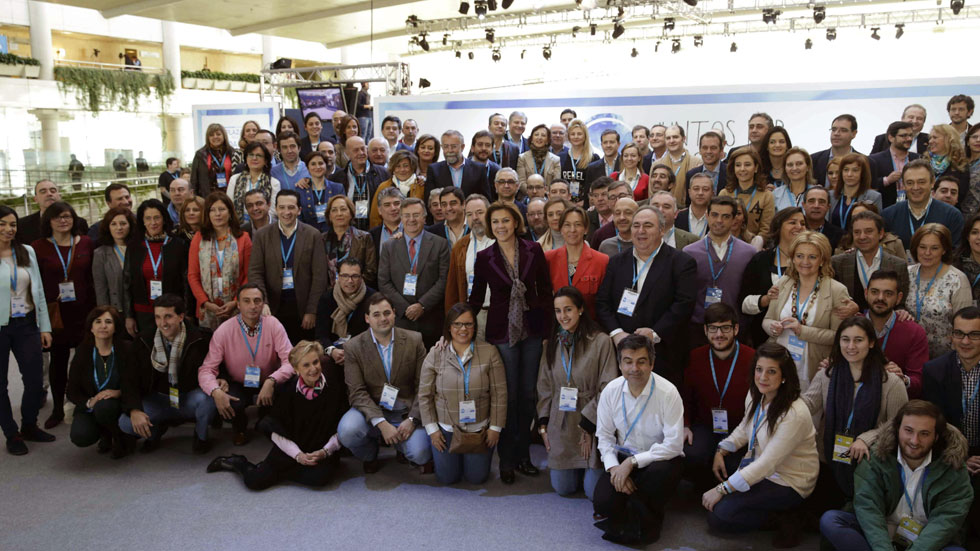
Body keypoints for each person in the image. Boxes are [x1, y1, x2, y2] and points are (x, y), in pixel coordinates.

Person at [468, 200, 552, 483]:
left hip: (532, 330)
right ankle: (506, 458)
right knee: (508, 396)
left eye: (505, 220)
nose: (501, 226)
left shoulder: (533, 249)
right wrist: (454, 327)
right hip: (502, 332)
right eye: (495, 222)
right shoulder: (484, 257)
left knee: (527, 395)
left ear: (516, 222)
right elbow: (476, 297)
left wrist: (547, 331)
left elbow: (546, 290)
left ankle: (523, 456)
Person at [704, 342, 819, 548]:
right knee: (717, 465)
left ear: (784, 376)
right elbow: (745, 427)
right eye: (759, 369)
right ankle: (764, 507)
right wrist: (721, 450)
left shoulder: (795, 413)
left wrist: (722, 489)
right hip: (758, 464)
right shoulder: (756, 392)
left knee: (720, 516)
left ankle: (786, 517)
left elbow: (767, 464)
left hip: (787, 480)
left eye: (771, 371)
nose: (763, 377)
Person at [820, 399, 973, 551]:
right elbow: (868, 508)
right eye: (908, 431)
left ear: (936, 437)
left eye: (924, 434)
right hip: (881, 534)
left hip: (928, 540)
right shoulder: (876, 457)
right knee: (831, 520)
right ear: (898, 429)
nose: (914, 441)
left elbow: (945, 521)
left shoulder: (954, 467)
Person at [206, 339, 345, 490]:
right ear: (296, 369)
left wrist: (325, 452)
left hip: (320, 448)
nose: (313, 369)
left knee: (319, 479)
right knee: (254, 482)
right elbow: (275, 431)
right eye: (306, 365)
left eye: (316, 362)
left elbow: (341, 429)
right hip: (292, 446)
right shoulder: (287, 391)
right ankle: (238, 462)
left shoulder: (333, 387)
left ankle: (281, 472)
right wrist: (297, 455)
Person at [802, 317, 909, 510]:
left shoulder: (891, 382)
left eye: (858, 340)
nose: (851, 346)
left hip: (870, 463)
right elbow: (808, 404)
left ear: (871, 342)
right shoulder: (827, 375)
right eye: (845, 339)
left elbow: (898, 424)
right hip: (828, 458)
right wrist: (782, 399)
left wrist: (866, 438)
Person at [593, 334, 684, 544]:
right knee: (603, 502)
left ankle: (642, 516)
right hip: (623, 457)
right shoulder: (611, 391)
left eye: (641, 361)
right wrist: (614, 469)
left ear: (652, 363)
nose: (634, 368)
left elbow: (674, 445)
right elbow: (604, 437)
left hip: (659, 459)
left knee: (658, 476)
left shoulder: (668, 392)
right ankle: (638, 508)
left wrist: (632, 463)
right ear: (620, 364)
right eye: (628, 361)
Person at [595, 206, 697, 385]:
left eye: (648, 225)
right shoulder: (617, 262)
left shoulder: (682, 262)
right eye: (636, 225)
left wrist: (655, 333)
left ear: (662, 230)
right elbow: (602, 302)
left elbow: (684, 304)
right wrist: (617, 333)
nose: (640, 231)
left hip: (663, 354)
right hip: (623, 353)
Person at [336, 292, 430, 473]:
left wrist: (413, 419)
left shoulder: (414, 340)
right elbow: (357, 392)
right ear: (367, 318)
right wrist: (381, 423)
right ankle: (370, 454)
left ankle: (401, 446)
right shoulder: (353, 347)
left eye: (387, 313)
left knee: (421, 453)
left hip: (404, 412)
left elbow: (424, 386)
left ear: (394, 313)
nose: (383, 319)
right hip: (370, 411)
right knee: (347, 431)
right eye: (376, 314)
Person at [537, 286, 617, 498]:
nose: (563, 316)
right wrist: (543, 424)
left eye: (568, 309)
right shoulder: (551, 343)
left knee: (592, 493)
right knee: (563, 488)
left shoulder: (601, 341)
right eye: (558, 311)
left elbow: (608, 388)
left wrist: (589, 424)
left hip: (591, 421)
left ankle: (591, 470)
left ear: (580, 309)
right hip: (562, 420)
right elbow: (545, 387)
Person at [418, 303, 506, 485]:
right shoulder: (436, 353)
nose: (463, 329)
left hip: (479, 429)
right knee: (447, 478)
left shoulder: (489, 352)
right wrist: (433, 430)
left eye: (468, 324)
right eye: (457, 324)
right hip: (446, 430)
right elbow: (424, 395)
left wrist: (495, 428)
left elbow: (500, 393)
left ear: (475, 326)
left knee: (477, 478)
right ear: (449, 327)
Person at [198, 284, 295, 445]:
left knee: (288, 390)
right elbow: (206, 369)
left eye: (257, 301)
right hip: (238, 382)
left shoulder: (273, 324)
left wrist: (272, 380)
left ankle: (266, 419)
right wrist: (215, 391)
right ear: (238, 304)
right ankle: (240, 428)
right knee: (230, 402)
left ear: (263, 304)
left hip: (269, 380)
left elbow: (290, 360)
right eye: (246, 301)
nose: (252, 306)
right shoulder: (224, 330)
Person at [119, 293, 212, 453]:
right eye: (158, 317)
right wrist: (134, 410)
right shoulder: (143, 340)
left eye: (168, 316)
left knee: (208, 401)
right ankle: (154, 432)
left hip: (188, 397)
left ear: (181, 316)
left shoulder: (200, 338)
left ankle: (201, 435)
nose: (163, 323)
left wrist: (221, 380)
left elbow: (214, 367)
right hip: (158, 399)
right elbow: (129, 379)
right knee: (125, 423)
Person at [32, 201, 97, 428]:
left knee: (85, 361)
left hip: (85, 312)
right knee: (58, 363)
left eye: (67, 216)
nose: (63, 221)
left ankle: (85, 404)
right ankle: (58, 409)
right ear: (48, 221)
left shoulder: (86, 243)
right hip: (56, 313)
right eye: (57, 217)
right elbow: (36, 282)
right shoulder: (38, 247)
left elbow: (92, 277)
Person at [762, 231, 850, 390]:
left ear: (822, 260)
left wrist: (802, 331)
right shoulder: (783, 283)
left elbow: (839, 336)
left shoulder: (837, 290)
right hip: (780, 363)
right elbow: (767, 320)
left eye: (812, 257)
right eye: (799, 256)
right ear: (793, 258)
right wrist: (773, 327)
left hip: (813, 367)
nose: (805, 262)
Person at [922, 306, 980, 545]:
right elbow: (936, 425)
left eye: (974, 335)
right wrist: (960, 458)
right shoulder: (934, 370)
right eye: (959, 333)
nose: (965, 341)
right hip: (950, 454)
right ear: (951, 336)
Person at [681, 303, 753, 491]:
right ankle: (703, 491)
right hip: (705, 425)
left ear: (736, 329)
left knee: (734, 465)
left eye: (725, 328)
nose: (719, 334)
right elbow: (686, 397)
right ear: (705, 330)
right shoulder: (695, 357)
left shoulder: (752, 358)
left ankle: (721, 493)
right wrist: (685, 424)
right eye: (713, 328)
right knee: (692, 453)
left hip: (739, 428)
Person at [0, 205, 53, 455]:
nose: (8, 229)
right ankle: (12, 434)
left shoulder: (26, 251)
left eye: (12, 224)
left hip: (27, 323)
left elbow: (38, 291)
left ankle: (29, 424)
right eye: (2, 224)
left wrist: (45, 327)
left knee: (34, 380)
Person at [248, 190, 327, 343]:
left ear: (299, 210)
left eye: (291, 207)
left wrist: (312, 310)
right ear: (276, 209)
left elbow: (320, 277)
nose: (286, 212)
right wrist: (263, 302)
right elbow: (255, 272)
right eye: (282, 207)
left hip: (302, 307)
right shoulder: (262, 235)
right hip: (272, 307)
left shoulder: (313, 235)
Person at [683, 196, 757, 347]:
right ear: (707, 216)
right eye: (715, 215)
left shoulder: (749, 253)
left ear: (734, 219)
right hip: (698, 327)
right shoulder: (689, 252)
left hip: (735, 329)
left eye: (726, 216)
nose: (719, 220)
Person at [378, 198, 450, 349]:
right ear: (401, 218)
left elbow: (444, 280)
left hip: (431, 318)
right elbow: (384, 282)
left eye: (416, 215)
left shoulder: (440, 244)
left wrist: (422, 305)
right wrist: (405, 308)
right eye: (407, 215)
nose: (411, 219)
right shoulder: (389, 246)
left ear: (424, 217)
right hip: (401, 320)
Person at [66, 306, 133, 457]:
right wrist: (90, 402)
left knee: (105, 407)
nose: (103, 326)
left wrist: (119, 392)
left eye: (108, 322)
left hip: (118, 404)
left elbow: (137, 383)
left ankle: (120, 437)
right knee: (80, 436)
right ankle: (105, 434)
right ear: (91, 328)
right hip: (91, 406)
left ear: (115, 327)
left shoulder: (126, 349)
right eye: (98, 322)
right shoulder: (82, 352)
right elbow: (72, 391)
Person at [739, 207, 806, 347]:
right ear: (778, 227)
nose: (799, 227)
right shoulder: (760, 260)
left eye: (802, 223)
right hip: (764, 339)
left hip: (802, 338)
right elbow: (743, 303)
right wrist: (766, 299)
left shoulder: (811, 261)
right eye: (792, 222)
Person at [188, 193, 252, 330]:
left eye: (222, 209)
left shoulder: (243, 238)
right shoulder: (198, 238)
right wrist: (205, 302)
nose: (217, 214)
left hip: (237, 307)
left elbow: (249, 275)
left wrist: (235, 302)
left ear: (230, 212)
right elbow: (193, 275)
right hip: (208, 308)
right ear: (207, 214)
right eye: (212, 210)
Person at [907, 224, 973, 359]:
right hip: (910, 353)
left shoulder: (957, 279)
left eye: (934, 248)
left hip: (945, 358)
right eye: (922, 247)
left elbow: (965, 324)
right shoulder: (906, 274)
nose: (927, 253)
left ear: (944, 250)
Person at [123, 199, 189, 335]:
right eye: (148, 218)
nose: (153, 222)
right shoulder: (134, 247)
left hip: (171, 312)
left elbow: (186, 282)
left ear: (164, 219)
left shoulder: (178, 245)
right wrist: (129, 316)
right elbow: (127, 282)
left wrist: (187, 312)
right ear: (142, 221)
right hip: (142, 312)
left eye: (157, 217)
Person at [862, 269, 929, 399]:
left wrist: (903, 379)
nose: (880, 298)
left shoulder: (914, 332)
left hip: (895, 399)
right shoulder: (851, 327)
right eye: (874, 292)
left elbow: (919, 381)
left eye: (888, 293)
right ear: (866, 293)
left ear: (898, 298)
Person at [831, 210, 909, 312]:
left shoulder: (898, 265)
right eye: (857, 232)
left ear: (881, 233)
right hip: (850, 321)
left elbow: (901, 304)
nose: (862, 236)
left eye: (868, 231)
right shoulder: (838, 263)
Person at [544, 207, 609, 320]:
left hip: (591, 325)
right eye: (567, 225)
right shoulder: (549, 258)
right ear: (561, 229)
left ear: (586, 229)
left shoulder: (602, 261)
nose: (572, 230)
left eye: (577, 224)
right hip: (559, 324)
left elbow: (605, 303)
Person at [444, 195, 494, 338]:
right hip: (472, 315)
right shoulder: (461, 246)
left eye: (479, 212)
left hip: (499, 313)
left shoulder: (500, 241)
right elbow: (452, 288)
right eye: (470, 214)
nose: (475, 218)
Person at [317, 258, 373, 360]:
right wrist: (332, 351)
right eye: (345, 276)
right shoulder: (327, 298)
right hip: (334, 349)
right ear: (338, 276)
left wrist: (352, 352)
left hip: (362, 350)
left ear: (361, 277)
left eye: (355, 276)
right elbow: (321, 334)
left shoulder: (372, 298)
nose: (350, 281)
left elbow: (375, 334)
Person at [329, 136, 386, 231]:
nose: (361, 153)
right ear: (347, 154)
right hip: (348, 231)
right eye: (356, 150)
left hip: (375, 229)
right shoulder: (337, 178)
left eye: (363, 149)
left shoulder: (383, 173)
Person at [720, 146, 775, 238]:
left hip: (754, 244)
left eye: (747, 165)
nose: (742, 169)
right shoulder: (724, 194)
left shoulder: (766, 196)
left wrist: (755, 242)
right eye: (738, 165)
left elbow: (766, 229)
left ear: (756, 168)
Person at [423, 130, 491, 200]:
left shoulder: (479, 169)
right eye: (446, 146)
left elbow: (486, 199)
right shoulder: (434, 170)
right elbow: (429, 200)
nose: (450, 150)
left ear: (462, 147)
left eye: (453, 146)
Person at [17, 179, 88, 246]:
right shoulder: (23, 225)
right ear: (35, 199)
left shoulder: (79, 223)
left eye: (53, 191)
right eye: (43, 192)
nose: (49, 194)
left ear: (59, 196)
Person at [92, 207, 135, 315]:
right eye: (113, 224)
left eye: (123, 223)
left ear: (130, 225)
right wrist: (105, 314)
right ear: (108, 227)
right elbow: (101, 289)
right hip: (116, 310)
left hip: (139, 307)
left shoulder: (139, 249)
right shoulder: (100, 254)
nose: (119, 228)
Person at [869, 120, 920, 208]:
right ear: (891, 138)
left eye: (911, 135)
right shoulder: (874, 159)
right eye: (903, 136)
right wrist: (887, 180)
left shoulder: (918, 159)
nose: (909, 139)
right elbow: (867, 185)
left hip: (913, 206)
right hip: (885, 208)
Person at [227, 142, 281, 225]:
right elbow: (229, 205)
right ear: (246, 159)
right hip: (238, 226)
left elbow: (273, 211)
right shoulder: (234, 179)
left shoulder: (274, 183)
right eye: (251, 155)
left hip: (264, 226)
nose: (254, 158)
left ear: (265, 161)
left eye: (259, 155)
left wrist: (256, 220)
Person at [369, 150, 423, 229]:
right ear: (393, 168)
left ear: (412, 167)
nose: (402, 170)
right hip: (389, 230)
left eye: (406, 166)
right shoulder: (383, 187)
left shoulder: (421, 185)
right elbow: (375, 216)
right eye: (398, 166)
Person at [829, 154, 883, 230]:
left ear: (862, 173)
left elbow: (876, 225)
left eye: (855, 170)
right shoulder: (830, 195)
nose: (849, 174)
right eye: (846, 170)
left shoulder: (873, 197)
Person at [652, 125, 702, 206]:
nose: (671, 141)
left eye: (675, 137)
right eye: (668, 138)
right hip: (661, 209)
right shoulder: (657, 164)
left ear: (683, 138)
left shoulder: (696, 163)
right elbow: (651, 192)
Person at [924, 124, 971, 209]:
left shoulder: (960, 164)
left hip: (948, 211)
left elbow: (961, 193)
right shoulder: (923, 162)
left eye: (935, 137)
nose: (930, 141)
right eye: (930, 138)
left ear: (948, 139)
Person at [296, 151, 344, 232]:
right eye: (313, 164)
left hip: (333, 233)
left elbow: (343, 213)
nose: (317, 167)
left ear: (326, 165)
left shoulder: (338, 188)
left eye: (321, 163)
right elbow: (298, 217)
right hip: (308, 234)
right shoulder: (300, 190)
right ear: (307, 167)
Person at [812, 114, 862, 186]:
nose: (836, 133)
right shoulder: (813, 160)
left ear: (854, 133)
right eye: (834, 130)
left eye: (843, 130)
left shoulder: (865, 162)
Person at [560, 119, 599, 205]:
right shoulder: (561, 157)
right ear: (568, 137)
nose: (576, 137)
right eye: (573, 134)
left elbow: (596, 185)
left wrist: (585, 202)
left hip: (586, 204)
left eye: (579, 134)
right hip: (565, 204)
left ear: (585, 136)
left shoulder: (593, 158)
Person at [190, 123, 236, 196]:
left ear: (224, 136)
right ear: (208, 138)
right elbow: (194, 179)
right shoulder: (200, 154)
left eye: (218, 134)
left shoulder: (233, 152)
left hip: (229, 195)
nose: (215, 137)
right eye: (211, 135)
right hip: (207, 196)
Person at [516, 124, 561, 189]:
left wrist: (545, 193)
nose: (539, 138)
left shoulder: (556, 160)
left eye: (543, 135)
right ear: (531, 139)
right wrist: (532, 192)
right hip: (528, 193)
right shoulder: (522, 158)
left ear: (547, 141)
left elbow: (556, 183)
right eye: (536, 135)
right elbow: (521, 182)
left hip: (548, 194)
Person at [802, 185, 844, 251]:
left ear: (828, 207)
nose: (816, 206)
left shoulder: (840, 236)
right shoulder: (794, 231)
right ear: (803, 205)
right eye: (811, 201)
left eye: (821, 202)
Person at [686, 130, 727, 195]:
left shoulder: (730, 173)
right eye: (705, 148)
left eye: (713, 148)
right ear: (700, 150)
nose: (708, 151)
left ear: (721, 150)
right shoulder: (691, 174)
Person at [368, 187, 405, 255]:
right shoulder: (371, 235)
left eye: (397, 203)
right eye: (387, 205)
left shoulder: (417, 231)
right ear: (379, 210)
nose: (393, 208)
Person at [676, 173, 713, 237]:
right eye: (696, 189)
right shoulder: (677, 217)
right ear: (689, 192)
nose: (700, 193)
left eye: (705, 189)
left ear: (712, 193)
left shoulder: (716, 218)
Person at [962, 123, 980, 217]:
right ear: (968, 141)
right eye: (974, 137)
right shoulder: (958, 162)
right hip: (956, 213)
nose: (978, 140)